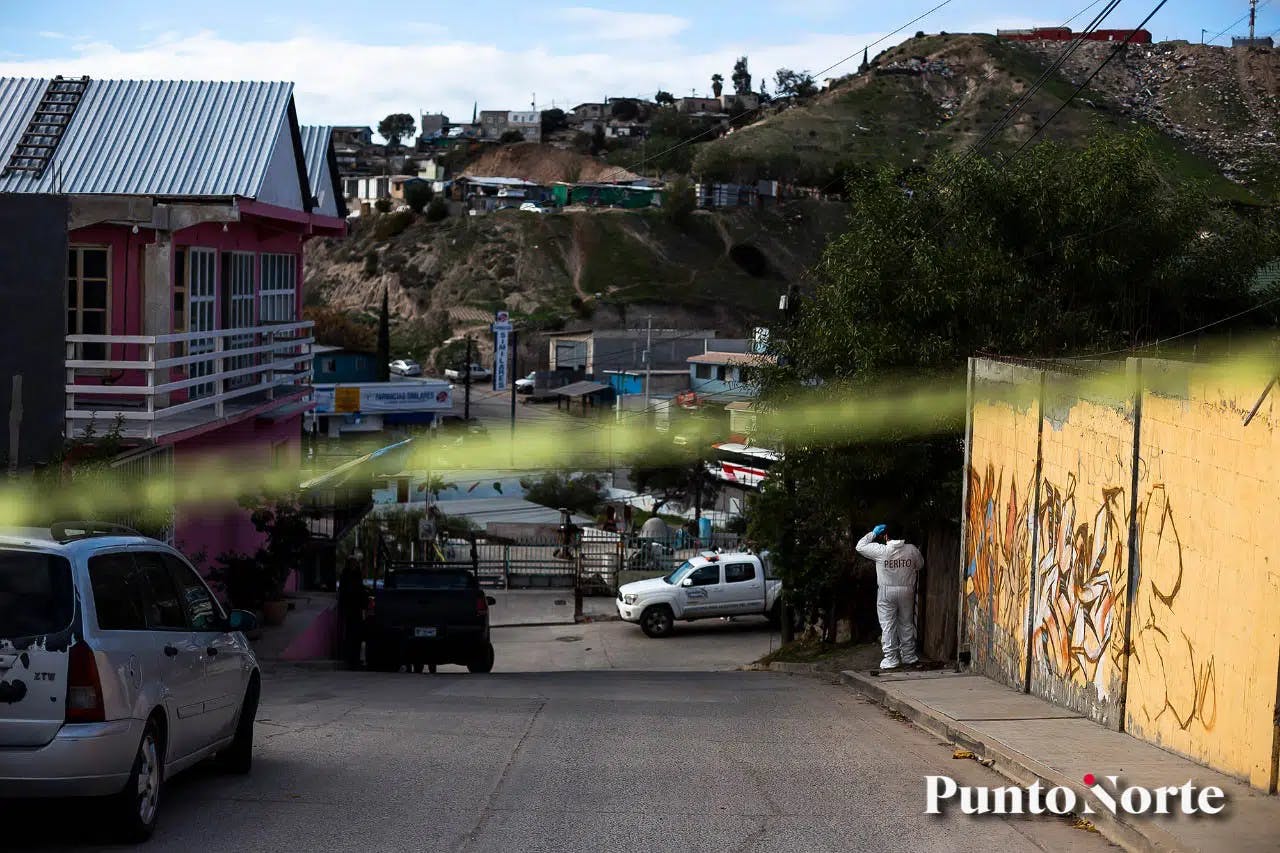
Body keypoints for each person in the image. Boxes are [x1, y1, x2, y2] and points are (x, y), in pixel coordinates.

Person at [856, 523, 924, 670]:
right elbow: (920, 565)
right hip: (907, 590)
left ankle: (891, 659)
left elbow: (860, 546)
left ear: (886, 536)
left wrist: (873, 533)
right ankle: (909, 656)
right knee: (906, 624)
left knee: (888, 625)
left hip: (886, 591)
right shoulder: (912, 550)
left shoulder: (881, 551)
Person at [337, 557, 367, 669]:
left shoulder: (356, 575)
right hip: (350, 609)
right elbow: (344, 593)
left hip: (356, 609)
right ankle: (350, 658)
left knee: (356, 635)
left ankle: (355, 659)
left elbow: (360, 591)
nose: (354, 565)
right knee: (350, 634)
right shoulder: (346, 575)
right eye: (352, 563)